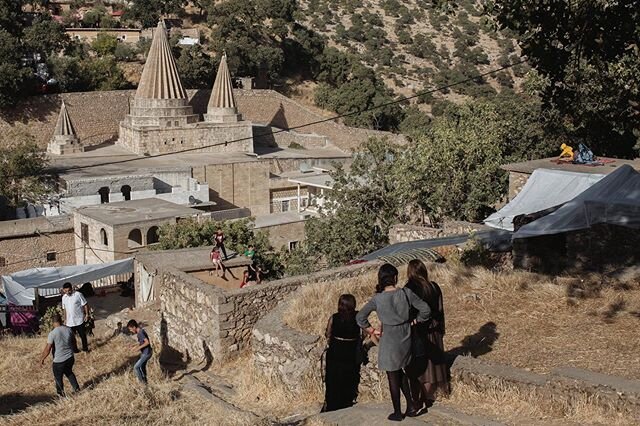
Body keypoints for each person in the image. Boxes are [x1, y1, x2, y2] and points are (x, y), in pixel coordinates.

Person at [356, 264, 431, 421]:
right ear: (395, 278)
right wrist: (415, 321)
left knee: (393, 376)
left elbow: (360, 317)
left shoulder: (377, 299)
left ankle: (398, 412)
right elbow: (426, 310)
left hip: (389, 338)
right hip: (405, 336)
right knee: (403, 371)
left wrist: (371, 330)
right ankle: (411, 405)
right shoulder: (406, 293)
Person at [404, 259, 450, 414]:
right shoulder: (434, 287)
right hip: (434, 329)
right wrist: (440, 328)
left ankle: (422, 397)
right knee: (434, 364)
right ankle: (429, 395)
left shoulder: (409, 289)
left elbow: (407, 312)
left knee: (421, 365)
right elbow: (440, 309)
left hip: (418, 331)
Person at [322, 294, 364, 412]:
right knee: (349, 377)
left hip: (335, 350)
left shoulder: (334, 317)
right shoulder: (358, 316)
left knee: (333, 378)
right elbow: (364, 332)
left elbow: (328, 334)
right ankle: (346, 402)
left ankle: (332, 404)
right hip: (350, 350)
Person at [40, 313, 80, 396]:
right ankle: (76, 389)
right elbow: (74, 341)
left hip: (59, 361)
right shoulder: (68, 329)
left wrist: (42, 359)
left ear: (53, 322)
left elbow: (48, 348)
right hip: (70, 357)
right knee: (69, 372)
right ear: (61, 320)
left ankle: (61, 395)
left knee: (58, 377)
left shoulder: (53, 333)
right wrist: (75, 350)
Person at [61, 282, 90, 352]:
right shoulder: (64, 298)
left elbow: (85, 304)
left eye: (69, 290)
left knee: (83, 336)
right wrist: (65, 319)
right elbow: (64, 309)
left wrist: (87, 314)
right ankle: (75, 350)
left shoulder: (78, 295)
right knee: (71, 337)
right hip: (69, 322)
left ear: (72, 288)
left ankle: (85, 349)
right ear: (63, 290)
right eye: (66, 291)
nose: (68, 292)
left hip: (79, 320)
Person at [127, 319, 152, 384]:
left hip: (146, 353)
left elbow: (147, 342)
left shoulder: (140, 333)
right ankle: (145, 381)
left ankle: (142, 383)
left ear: (134, 327)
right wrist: (133, 345)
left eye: (130, 329)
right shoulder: (140, 332)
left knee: (136, 367)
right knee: (142, 366)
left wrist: (138, 348)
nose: (131, 331)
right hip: (146, 352)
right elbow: (141, 342)